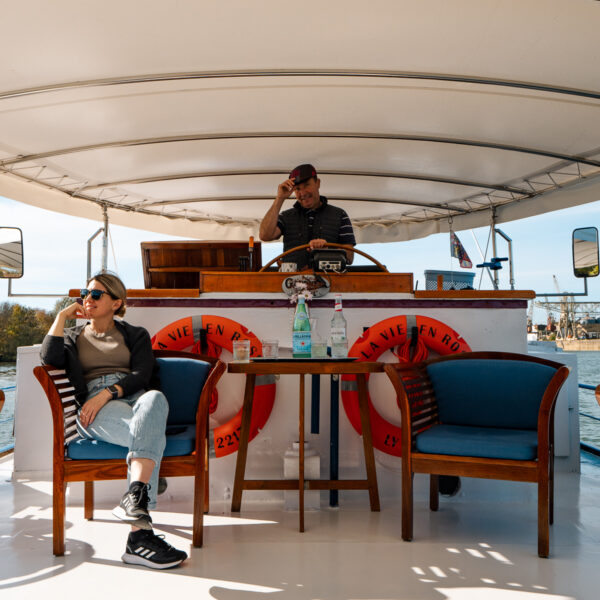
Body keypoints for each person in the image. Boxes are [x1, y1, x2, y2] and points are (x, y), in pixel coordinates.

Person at [40, 272, 187, 570]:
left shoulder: (136, 334)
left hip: (133, 397)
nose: (87, 299)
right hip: (93, 409)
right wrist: (61, 317)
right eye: (85, 293)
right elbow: (49, 359)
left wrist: (109, 392)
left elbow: (142, 376)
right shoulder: (72, 337)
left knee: (156, 399)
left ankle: (135, 502)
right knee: (149, 435)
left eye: (96, 294)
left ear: (116, 302)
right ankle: (139, 535)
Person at [259, 163, 356, 269]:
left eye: (306, 185)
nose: (303, 193)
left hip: (330, 284)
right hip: (290, 283)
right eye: (297, 189)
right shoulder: (286, 217)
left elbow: (350, 257)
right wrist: (280, 198)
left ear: (317, 183)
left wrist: (328, 250)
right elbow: (265, 235)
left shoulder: (340, 215)